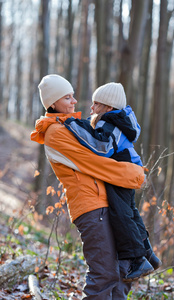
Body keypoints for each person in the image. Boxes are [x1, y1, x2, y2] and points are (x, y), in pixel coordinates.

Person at [30, 74, 146, 299]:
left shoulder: (71, 126)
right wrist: (136, 174)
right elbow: (97, 164)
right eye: (67, 97)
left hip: (107, 203)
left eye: (73, 96)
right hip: (91, 207)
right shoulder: (56, 133)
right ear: (53, 103)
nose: (74, 101)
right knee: (104, 275)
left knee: (123, 273)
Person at [64, 82, 162, 281]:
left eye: (96, 104)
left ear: (108, 107)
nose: (91, 108)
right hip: (128, 167)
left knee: (121, 213)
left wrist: (73, 124)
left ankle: (137, 260)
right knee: (131, 212)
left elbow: (102, 147)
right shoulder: (120, 119)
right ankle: (148, 254)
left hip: (122, 169)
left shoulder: (109, 122)